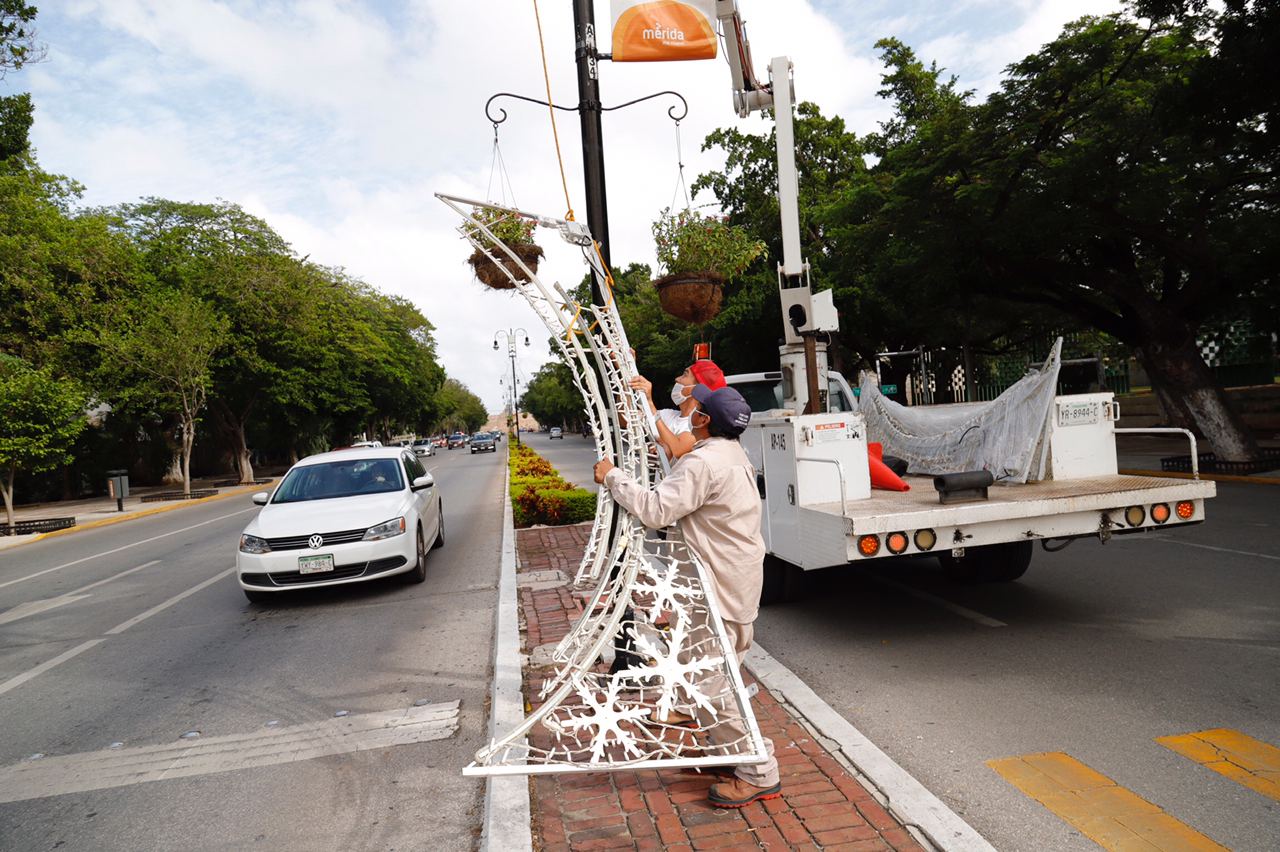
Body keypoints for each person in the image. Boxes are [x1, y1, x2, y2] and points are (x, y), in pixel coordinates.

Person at [593, 384, 779, 809]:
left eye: (695, 408)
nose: (688, 411)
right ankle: (732, 753)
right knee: (718, 676)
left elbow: (657, 509)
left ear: (704, 420)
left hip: (720, 589)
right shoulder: (730, 454)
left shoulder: (703, 463)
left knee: (709, 685)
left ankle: (759, 769)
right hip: (736, 581)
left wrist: (613, 477)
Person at [629, 358, 726, 461]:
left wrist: (649, 402)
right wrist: (629, 373)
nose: (677, 379)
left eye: (685, 375)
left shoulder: (701, 424)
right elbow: (626, 420)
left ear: (697, 388)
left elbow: (677, 449)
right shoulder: (668, 415)